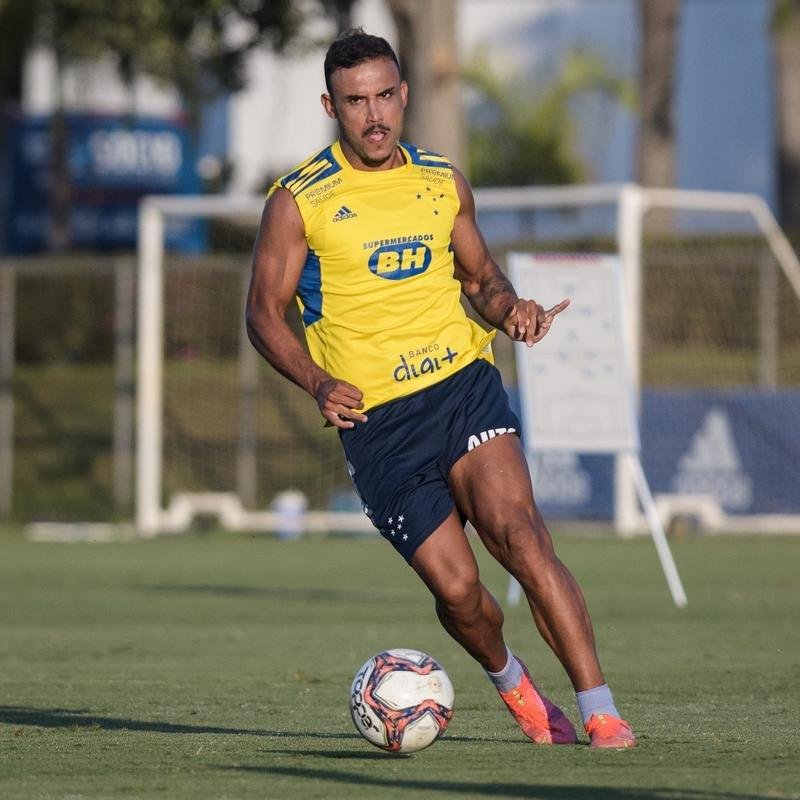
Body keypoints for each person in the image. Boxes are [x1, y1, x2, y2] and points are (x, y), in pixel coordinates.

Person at [246, 27, 636, 749]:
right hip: (378, 423)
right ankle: (514, 685)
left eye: (386, 96)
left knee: (520, 535)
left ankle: (600, 709)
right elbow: (262, 314)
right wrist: (316, 379)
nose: (374, 115)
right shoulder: (298, 201)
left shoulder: (441, 180)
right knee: (458, 591)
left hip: (462, 385)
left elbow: (482, 280)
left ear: (404, 94)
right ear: (330, 106)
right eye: (356, 101)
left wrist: (511, 309)